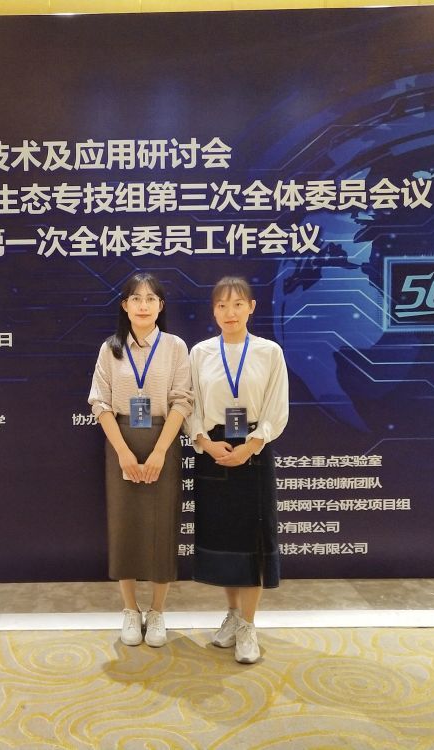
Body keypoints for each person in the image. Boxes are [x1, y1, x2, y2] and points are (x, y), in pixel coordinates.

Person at [186, 276, 289, 664]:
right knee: (225, 539)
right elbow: (190, 405)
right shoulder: (200, 353)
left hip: (254, 451)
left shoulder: (269, 352)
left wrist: (251, 445)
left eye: (237, 304)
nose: (230, 312)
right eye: (221, 305)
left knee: (252, 541)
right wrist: (205, 441)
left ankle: (248, 625)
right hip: (213, 452)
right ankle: (232, 614)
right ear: (213, 311)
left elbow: (277, 407)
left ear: (251, 307)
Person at [88, 272, 193, 648]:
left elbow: (182, 400)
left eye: (150, 299)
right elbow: (99, 403)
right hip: (122, 443)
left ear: (160, 306)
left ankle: (158, 611)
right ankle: (130, 610)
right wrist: (123, 453)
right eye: (136, 298)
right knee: (125, 526)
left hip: (164, 441)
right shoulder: (110, 348)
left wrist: (161, 451)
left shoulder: (176, 347)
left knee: (163, 527)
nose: (143, 305)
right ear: (125, 305)